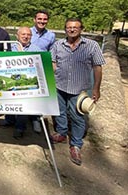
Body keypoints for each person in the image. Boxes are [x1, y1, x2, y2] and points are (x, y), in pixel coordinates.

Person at [50, 18, 105, 166]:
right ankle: (61, 133)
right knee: (59, 111)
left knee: (77, 117)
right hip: (59, 86)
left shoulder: (92, 46)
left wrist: (96, 88)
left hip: (79, 88)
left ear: (81, 29)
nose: (72, 30)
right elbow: (53, 64)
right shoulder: (57, 45)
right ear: (65, 29)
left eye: (75, 27)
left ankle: (75, 145)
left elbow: (97, 68)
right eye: (69, 27)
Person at [6, 27, 42, 138]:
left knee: (24, 104)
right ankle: (9, 120)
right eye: (23, 34)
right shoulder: (9, 47)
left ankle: (20, 128)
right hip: (11, 79)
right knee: (9, 100)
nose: (26, 37)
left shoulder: (37, 49)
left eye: (28, 35)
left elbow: (41, 66)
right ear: (17, 35)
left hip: (26, 82)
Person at [30, 10, 56, 133]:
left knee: (38, 96)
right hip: (25, 67)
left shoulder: (51, 35)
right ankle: (12, 119)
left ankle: (36, 119)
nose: (42, 21)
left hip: (40, 69)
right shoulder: (26, 32)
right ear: (34, 19)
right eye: (39, 19)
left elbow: (51, 53)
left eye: (44, 19)